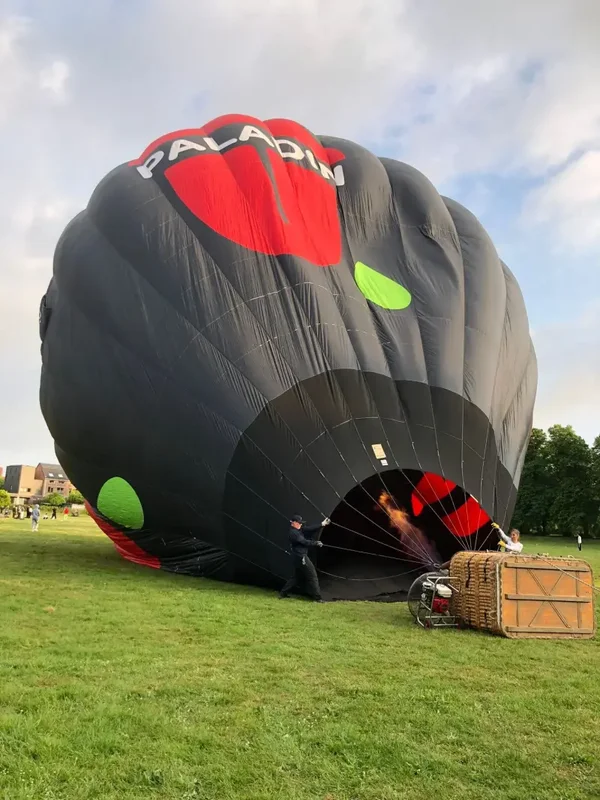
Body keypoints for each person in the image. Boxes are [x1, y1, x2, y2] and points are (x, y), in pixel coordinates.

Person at [279, 514, 331, 602]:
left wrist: (322, 524)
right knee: (312, 575)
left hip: (297, 557)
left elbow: (309, 529)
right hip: (301, 557)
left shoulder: (299, 529)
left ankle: (283, 593)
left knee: (296, 577)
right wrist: (316, 543)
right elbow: (304, 542)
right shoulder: (293, 533)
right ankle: (318, 598)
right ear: (293, 523)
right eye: (299, 523)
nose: (301, 524)